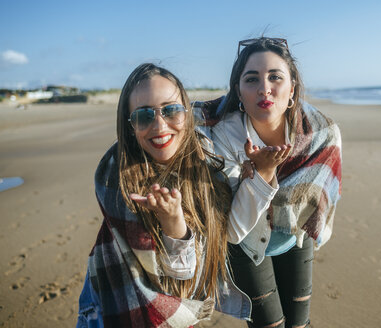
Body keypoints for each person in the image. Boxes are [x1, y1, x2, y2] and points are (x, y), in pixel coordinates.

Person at [77, 63, 277, 327]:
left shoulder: (208, 161)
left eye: (170, 110)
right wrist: (174, 223)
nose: (159, 125)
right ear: (130, 127)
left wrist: (263, 172)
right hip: (114, 306)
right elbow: (172, 284)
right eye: (143, 116)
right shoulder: (117, 180)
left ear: (186, 113)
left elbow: (231, 231)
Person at [208, 37, 342, 328]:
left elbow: (318, 204)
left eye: (275, 77)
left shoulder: (321, 134)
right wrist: (264, 174)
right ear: (238, 92)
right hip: (245, 246)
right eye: (251, 78)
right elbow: (232, 231)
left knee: (299, 324)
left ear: (292, 90)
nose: (264, 88)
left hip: (295, 235)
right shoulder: (223, 137)